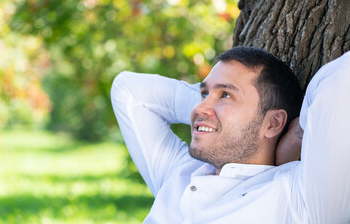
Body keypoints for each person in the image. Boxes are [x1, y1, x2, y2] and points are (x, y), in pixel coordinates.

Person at [111, 46, 350, 223]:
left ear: (274, 123)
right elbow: (128, 90)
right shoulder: (180, 172)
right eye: (204, 93)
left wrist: (299, 133)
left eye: (226, 95)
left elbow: (341, 80)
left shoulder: (298, 197)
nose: (198, 107)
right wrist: (212, 113)